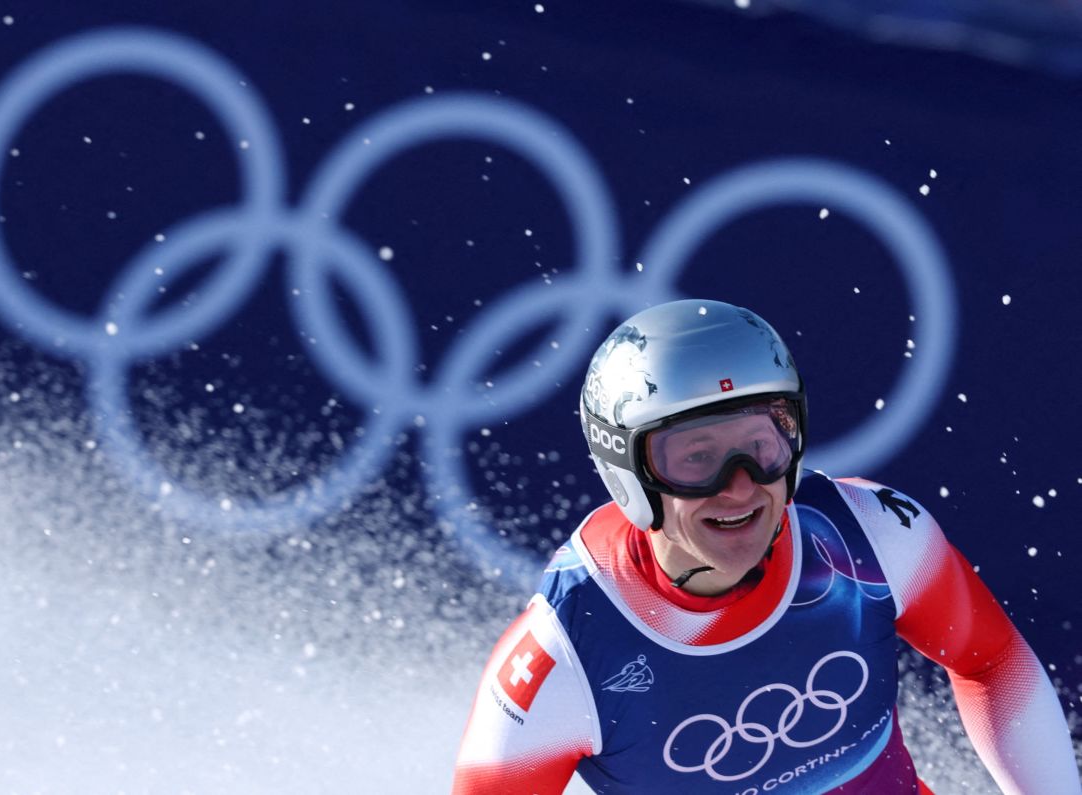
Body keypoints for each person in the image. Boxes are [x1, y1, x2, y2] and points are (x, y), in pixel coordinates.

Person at [452, 299, 1080, 794]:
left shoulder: (872, 536)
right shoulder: (564, 657)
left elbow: (992, 663)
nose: (740, 488)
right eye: (695, 459)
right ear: (628, 475)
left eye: (761, 446)